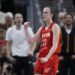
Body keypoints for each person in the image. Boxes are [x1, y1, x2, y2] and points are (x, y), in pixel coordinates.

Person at [24, 6, 61, 75]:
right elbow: (31, 41)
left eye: (46, 12)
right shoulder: (42, 28)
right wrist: (26, 29)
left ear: (51, 15)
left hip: (51, 56)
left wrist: (47, 58)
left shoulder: (55, 26)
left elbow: (55, 45)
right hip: (41, 56)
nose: (43, 14)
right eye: (43, 12)